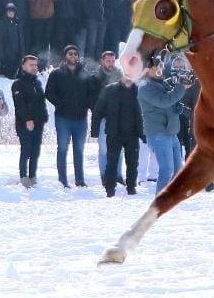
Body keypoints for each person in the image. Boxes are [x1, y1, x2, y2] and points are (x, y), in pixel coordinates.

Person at [139, 58, 187, 194]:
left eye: (160, 66)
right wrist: (181, 88)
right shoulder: (145, 88)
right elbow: (164, 102)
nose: (160, 69)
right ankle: (160, 201)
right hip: (158, 133)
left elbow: (171, 102)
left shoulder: (164, 84)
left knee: (177, 170)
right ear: (148, 70)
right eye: (156, 67)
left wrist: (178, 107)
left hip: (171, 132)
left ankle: (171, 197)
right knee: (167, 170)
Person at [91, 72, 143, 197]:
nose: (128, 79)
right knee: (112, 163)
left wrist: (144, 132)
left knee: (132, 163)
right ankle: (110, 189)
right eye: (126, 75)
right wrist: (95, 130)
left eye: (131, 76)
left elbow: (144, 113)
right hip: (114, 133)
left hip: (133, 133)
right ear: (121, 76)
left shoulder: (139, 91)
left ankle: (131, 187)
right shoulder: (110, 90)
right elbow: (98, 110)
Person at [45, 45, 90, 187]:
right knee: (63, 148)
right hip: (63, 117)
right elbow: (49, 93)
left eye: (76, 54)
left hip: (81, 118)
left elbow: (91, 93)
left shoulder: (84, 73)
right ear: (65, 56)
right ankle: (62, 180)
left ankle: (80, 180)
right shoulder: (56, 74)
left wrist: (87, 105)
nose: (73, 56)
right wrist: (60, 104)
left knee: (79, 150)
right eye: (70, 54)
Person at [88, 51, 124, 184]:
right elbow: (92, 100)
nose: (111, 64)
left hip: (119, 117)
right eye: (108, 61)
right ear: (102, 61)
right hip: (103, 117)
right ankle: (104, 175)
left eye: (113, 61)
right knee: (104, 148)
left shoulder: (120, 76)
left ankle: (118, 175)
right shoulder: (95, 78)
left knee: (119, 148)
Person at [12, 55, 46, 188]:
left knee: (35, 151)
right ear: (23, 66)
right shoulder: (18, 84)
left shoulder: (37, 83)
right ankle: (23, 176)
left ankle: (32, 176)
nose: (34, 68)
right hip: (24, 123)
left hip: (38, 122)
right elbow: (20, 105)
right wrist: (27, 120)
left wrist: (44, 117)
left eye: (36, 65)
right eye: (31, 65)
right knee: (26, 149)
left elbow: (41, 102)